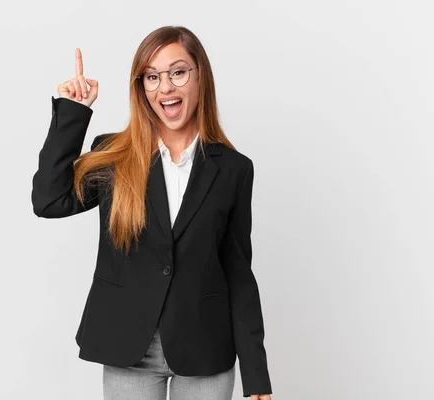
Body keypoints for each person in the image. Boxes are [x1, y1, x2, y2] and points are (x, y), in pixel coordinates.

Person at [32, 25, 273, 400]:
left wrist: (256, 375)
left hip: (205, 350)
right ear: (141, 87)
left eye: (177, 72)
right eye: (152, 77)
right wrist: (73, 113)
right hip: (129, 348)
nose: (166, 88)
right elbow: (48, 200)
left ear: (199, 77)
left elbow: (238, 271)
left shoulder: (234, 169)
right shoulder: (115, 154)